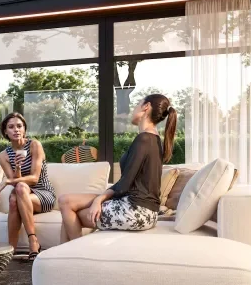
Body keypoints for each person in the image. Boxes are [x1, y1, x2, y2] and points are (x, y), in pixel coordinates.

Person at [58, 94, 177, 241]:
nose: (133, 109)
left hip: (135, 211)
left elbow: (124, 184)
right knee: (65, 202)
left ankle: (75, 256)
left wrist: (99, 200)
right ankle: (60, 258)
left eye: (137, 104)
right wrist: (100, 199)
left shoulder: (144, 139)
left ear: (146, 107)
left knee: (69, 210)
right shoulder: (154, 139)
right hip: (145, 210)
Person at [0, 112, 56, 258]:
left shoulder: (34, 145)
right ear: (5, 132)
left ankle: (32, 239)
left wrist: (6, 181)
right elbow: (18, 183)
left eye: (19, 126)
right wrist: (18, 167)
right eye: (11, 127)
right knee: (16, 196)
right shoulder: (4, 155)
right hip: (22, 193)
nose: (16, 130)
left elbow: (34, 178)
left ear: (24, 129)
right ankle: (10, 250)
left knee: (19, 190)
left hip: (43, 194)